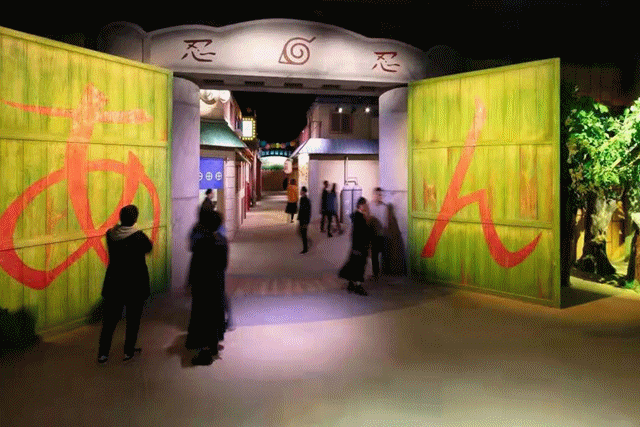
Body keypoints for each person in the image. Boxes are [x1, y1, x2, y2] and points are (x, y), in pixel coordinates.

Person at [98, 205, 153, 364]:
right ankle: (128, 351)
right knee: (133, 319)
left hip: (115, 281)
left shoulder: (110, 234)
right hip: (134, 283)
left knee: (110, 320)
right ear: (135, 219)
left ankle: (103, 353)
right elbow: (149, 247)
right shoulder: (139, 236)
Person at [186, 209, 228, 366]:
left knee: (202, 315)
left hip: (202, 283)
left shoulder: (201, 242)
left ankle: (204, 352)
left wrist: (190, 281)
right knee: (215, 313)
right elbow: (224, 264)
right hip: (217, 281)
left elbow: (195, 263)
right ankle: (214, 345)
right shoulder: (222, 240)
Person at [338, 197, 371, 296]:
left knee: (353, 265)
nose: (366, 206)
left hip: (357, 246)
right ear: (360, 206)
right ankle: (357, 286)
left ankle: (351, 284)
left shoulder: (358, 216)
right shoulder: (359, 217)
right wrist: (363, 246)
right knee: (359, 266)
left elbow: (353, 233)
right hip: (360, 246)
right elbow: (360, 233)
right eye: (365, 205)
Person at [368, 187, 389, 280]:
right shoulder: (370, 206)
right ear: (374, 195)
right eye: (378, 194)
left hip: (382, 234)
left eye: (381, 195)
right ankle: (375, 273)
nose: (379, 196)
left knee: (384, 253)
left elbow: (386, 221)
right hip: (373, 234)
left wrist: (385, 230)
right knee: (374, 254)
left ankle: (385, 271)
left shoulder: (385, 207)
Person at [298, 186, 311, 254]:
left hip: (304, 219)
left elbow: (308, 211)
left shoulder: (306, 200)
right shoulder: (301, 199)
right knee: (300, 232)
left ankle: (305, 248)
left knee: (303, 234)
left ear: (304, 192)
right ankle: (306, 245)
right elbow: (300, 209)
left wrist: (307, 221)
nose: (300, 192)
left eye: (301, 191)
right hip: (301, 218)